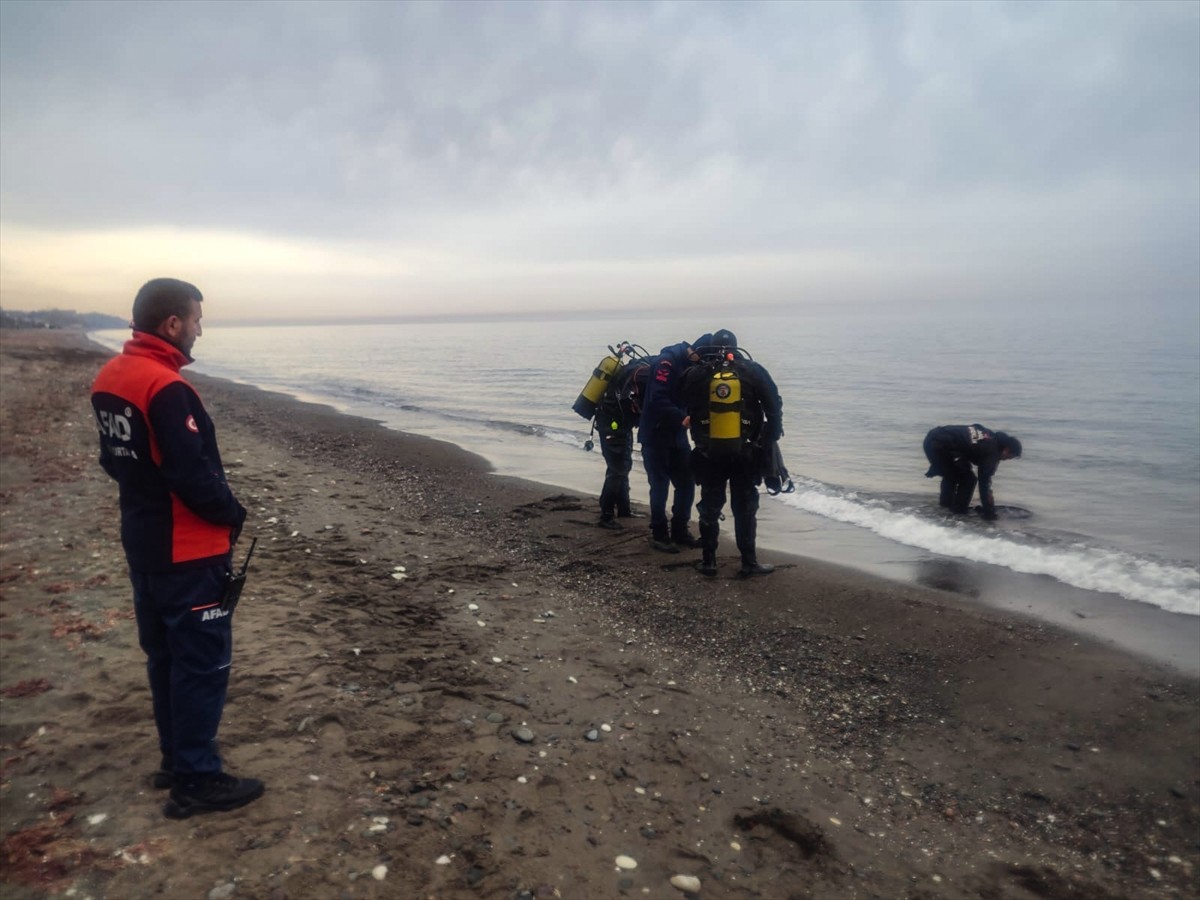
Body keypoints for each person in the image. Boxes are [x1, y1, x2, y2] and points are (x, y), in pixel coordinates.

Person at [91, 277, 264, 819]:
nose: (199, 329)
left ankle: (176, 759)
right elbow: (193, 475)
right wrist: (232, 515)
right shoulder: (165, 387)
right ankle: (195, 779)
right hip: (187, 552)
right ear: (172, 324)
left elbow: (111, 460)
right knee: (200, 664)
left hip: (144, 544)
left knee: (165, 657)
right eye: (196, 319)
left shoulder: (111, 376)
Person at [679, 329, 783, 577]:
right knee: (745, 506)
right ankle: (749, 562)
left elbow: (683, 399)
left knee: (710, 506)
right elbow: (774, 406)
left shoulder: (696, 374)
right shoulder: (752, 370)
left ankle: (709, 562)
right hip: (746, 452)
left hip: (708, 453)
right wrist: (769, 439)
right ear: (736, 347)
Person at [637, 336, 708, 552]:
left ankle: (679, 531)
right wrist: (681, 417)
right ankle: (659, 534)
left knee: (686, 483)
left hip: (677, 437)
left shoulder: (692, 365)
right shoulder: (667, 362)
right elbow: (656, 398)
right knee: (659, 486)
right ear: (695, 351)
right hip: (655, 434)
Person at [923, 424, 1022, 520]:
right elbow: (984, 484)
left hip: (932, 437)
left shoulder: (988, 436)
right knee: (969, 480)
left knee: (953, 474)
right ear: (1006, 449)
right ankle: (959, 512)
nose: (1006, 459)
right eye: (1009, 457)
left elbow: (968, 440)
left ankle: (945, 507)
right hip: (941, 445)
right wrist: (989, 513)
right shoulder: (992, 452)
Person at [595, 359, 647, 529]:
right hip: (613, 426)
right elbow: (631, 403)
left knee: (623, 464)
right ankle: (606, 515)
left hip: (615, 424)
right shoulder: (640, 376)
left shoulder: (629, 373)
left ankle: (624, 509)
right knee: (618, 469)